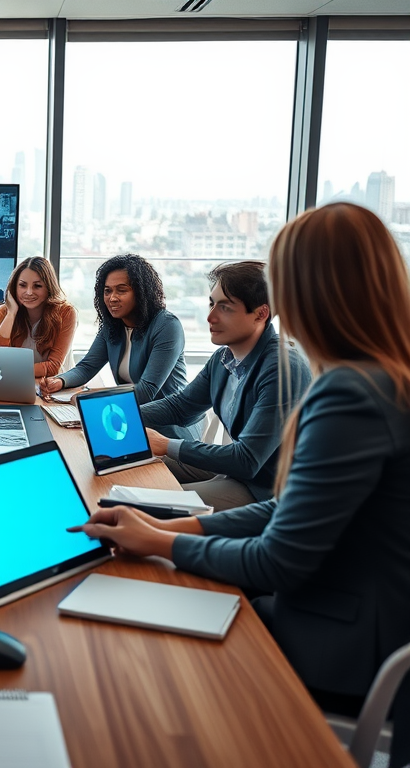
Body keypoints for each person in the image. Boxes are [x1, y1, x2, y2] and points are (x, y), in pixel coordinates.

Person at [75, 203, 410, 764]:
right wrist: (178, 523)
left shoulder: (348, 394)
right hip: (369, 616)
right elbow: (285, 508)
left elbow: (277, 560)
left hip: (350, 645)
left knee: (153, 659)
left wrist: (159, 542)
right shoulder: (384, 377)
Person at [139, 261, 310, 511]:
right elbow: (182, 407)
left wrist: (166, 445)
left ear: (261, 314)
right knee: (132, 467)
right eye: (211, 303)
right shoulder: (224, 358)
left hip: (268, 488)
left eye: (225, 308)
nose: (210, 317)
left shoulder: (283, 369)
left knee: (150, 499)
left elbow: (248, 460)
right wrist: (124, 415)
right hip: (235, 468)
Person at [40, 254, 198, 439]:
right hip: (129, 421)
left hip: (170, 429)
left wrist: (88, 396)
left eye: (121, 290)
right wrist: (59, 381)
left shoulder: (167, 326)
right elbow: (86, 367)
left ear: (141, 291)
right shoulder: (112, 326)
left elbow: (147, 390)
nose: (112, 298)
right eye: (107, 291)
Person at [0, 257, 76, 378]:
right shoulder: (5, 312)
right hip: (16, 383)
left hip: (55, 385)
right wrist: (11, 314)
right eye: (22, 285)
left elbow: (53, 366)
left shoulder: (65, 313)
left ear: (49, 288)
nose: (29, 292)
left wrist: (10, 370)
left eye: (37, 286)